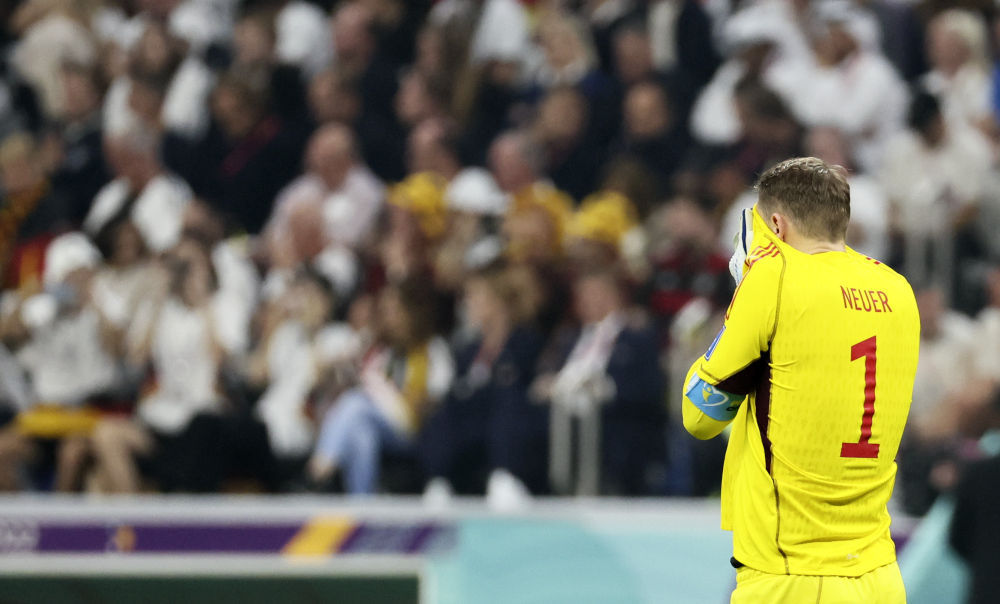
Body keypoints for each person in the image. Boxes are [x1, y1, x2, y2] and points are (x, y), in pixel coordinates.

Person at [681, 157, 919, 602]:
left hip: (791, 576)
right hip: (880, 576)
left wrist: (744, 290)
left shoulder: (774, 279)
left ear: (776, 224)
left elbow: (699, 416)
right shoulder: (898, 289)